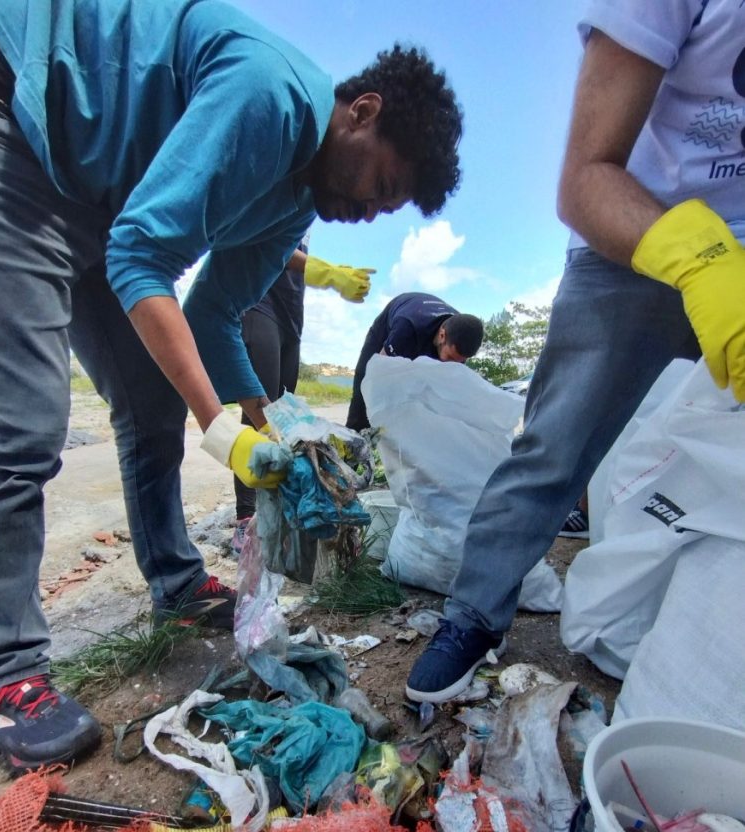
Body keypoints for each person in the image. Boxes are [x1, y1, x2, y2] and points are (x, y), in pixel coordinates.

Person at [0, 1, 464, 771]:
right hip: (9, 108)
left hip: (98, 191)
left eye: (383, 208)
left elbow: (214, 310)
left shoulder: (295, 197)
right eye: (380, 186)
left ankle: (174, 584)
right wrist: (219, 429)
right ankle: (5, 675)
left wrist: (259, 424)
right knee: (19, 422)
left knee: (148, 406)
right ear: (360, 112)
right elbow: (143, 259)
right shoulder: (271, 96)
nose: (368, 212)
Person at [407, 0, 745, 704]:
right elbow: (583, 178)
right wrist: (700, 261)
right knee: (553, 443)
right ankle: (473, 614)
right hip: (635, 232)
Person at [231, 240, 374, 553]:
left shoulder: (305, 219)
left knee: (285, 421)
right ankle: (245, 519)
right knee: (260, 417)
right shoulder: (279, 199)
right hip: (259, 303)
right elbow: (264, 239)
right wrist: (329, 273)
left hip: (291, 317)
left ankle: (280, 512)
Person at [346, 292, 483, 431]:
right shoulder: (407, 328)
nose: (450, 365)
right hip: (391, 327)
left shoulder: (462, 335)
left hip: (426, 332)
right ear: (442, 336)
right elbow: (379, 373)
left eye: (459, 362)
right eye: (450, 358)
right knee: (364, 381)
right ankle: (354, 437)